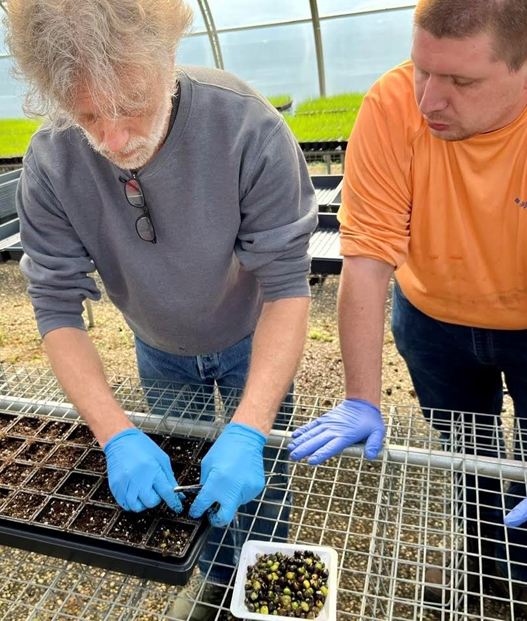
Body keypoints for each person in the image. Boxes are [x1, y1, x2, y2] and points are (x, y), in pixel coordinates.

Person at [4, 1, 317, 619]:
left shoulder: (245, 127)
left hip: (252, 335)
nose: (115, 140)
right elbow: (56, 305)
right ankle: (222, 584)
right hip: (159, 345)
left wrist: (250, 429)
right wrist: (115, 432)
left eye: (132, 104)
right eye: (88, 115)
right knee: (187, 477)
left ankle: (266, 579)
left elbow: (287, 288)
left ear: (169, 55)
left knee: (259, 473)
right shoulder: (53, 161)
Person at [289, 0, 527, 618]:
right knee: (467, 451)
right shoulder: (391, 103)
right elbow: (367, 256)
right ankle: (486, 576)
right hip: (432, 317)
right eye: (421, 69)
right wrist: (361, 395)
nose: (429, 100)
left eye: (460, 81)